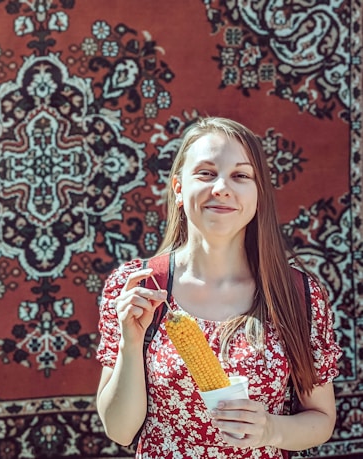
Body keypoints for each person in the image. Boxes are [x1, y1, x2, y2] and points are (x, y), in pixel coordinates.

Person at [95, 117, 342, 458]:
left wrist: (270, 428)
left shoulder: (298, 295)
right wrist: (130, 342)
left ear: (258, 195)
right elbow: (120, 430)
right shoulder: (137, 287)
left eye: (241, 175)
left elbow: (321, 419)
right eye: (206, 173)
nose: (222, 188)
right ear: (179, 189)